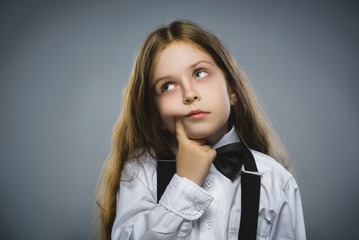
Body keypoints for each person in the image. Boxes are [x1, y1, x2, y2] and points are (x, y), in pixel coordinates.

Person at [96, 20, 306, 240]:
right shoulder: (140, 173)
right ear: (156, 114)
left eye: (200, 73)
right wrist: (184, 183)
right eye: (168, 86)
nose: (189, 94)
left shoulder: (275, 180)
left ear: (232, 90)